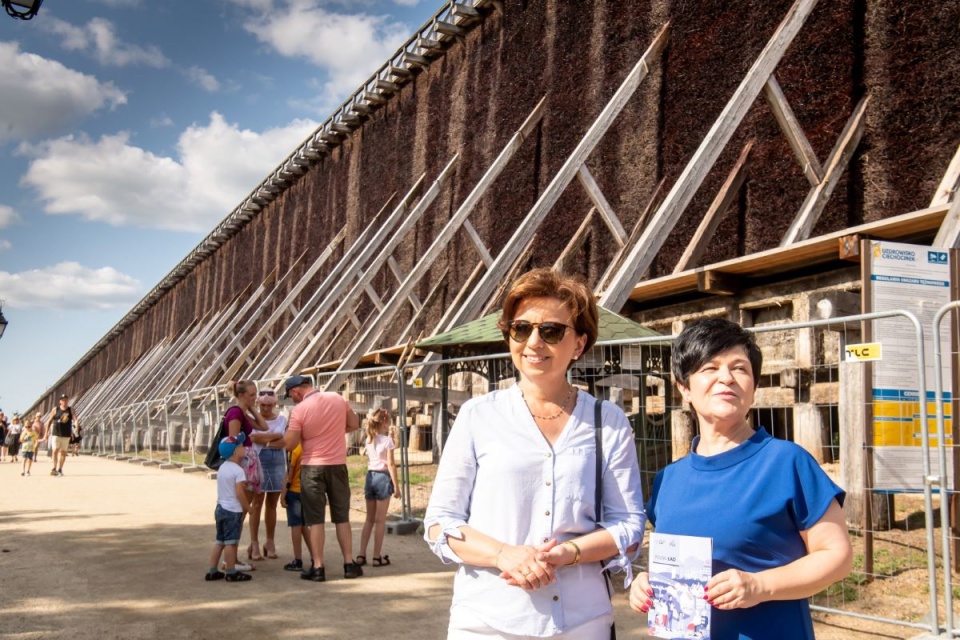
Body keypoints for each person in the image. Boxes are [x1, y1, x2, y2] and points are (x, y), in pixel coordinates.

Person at [424, 267, 646, 639]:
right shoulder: (478, 416)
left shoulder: (607, 421)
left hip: (581, 621)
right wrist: (503, 554)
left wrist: (567, 553)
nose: (533, 342)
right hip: (488, 620)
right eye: (521, 328)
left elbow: (628, 526)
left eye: (551, 331)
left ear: (579, 344)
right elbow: (439, 523)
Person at [629, 318, 853, 640]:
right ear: (683, 388)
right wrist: (646, 585)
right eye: (710, 368)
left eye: (740, 368)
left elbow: (837, 556)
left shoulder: (787, 463)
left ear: (754, 388)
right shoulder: (668, 480)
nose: (726, 378)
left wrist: (760, 586)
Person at [283, 374, 363, 582]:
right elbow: (354, 424)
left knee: (315, 519)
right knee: (342, 517)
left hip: (312, 467)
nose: (292, 398)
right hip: (337, 464)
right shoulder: (337, 398)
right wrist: (335, 431)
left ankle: (318, 567)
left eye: (291, 395)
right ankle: (348, 563)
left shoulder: (299, 410)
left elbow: (290, 445)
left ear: (296, 391)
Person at [223, 380, 270, 563]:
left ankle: (232, 557)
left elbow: (263, 426)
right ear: (241, 395)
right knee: (239, 511)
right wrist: (238, 469)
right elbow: (232, 441)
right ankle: (230, 558)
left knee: (241, 512)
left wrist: (250, 408)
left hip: (248, 461)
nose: (255, 398)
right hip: (242, 463)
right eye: (251, 395)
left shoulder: (241, 412)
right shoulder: (235, 413)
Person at [205, 433, 253, 583]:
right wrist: (248, 507)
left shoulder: (223, 468)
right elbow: (239, 492)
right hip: (233, 510)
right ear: (234, 452)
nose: (243, 448)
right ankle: (231, 571)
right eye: (240, 446)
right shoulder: (238, 470)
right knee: (231, 542)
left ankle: (212, 570)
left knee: (219, 540)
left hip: (220, 508)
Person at [356, 407, 400, 568]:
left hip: (370, 477)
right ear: (384, 422)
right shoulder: (387, 441)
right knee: (380, 521)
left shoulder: (369, 439)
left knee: (369, 519)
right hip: (382, 477)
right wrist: (396, 486)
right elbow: (391, 464)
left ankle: (361, 554)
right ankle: (376, 557)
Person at [247, 387, 287, 561]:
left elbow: (284, 440)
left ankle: (269, 541)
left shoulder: (282, 419)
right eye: (262, 405)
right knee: (257, 502)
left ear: (275, 404)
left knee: (272, 503)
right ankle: (254, 542)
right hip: (258, 462)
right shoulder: (252, 420)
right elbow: (253, 438)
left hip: (277, 462)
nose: (265, 408)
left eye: (269, 405)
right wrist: (273, 437)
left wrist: (265, 439)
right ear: (258, 403)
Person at [280, 442, 313, 572]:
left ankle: (298, 560)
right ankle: (314, 555)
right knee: (304, 526)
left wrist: (283, 494)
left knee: (296, 525)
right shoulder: (309, 447)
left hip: (295, 491)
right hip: (308, 490)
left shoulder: (295, 449)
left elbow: (290, 475)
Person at [47, 394, 74, 476]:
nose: (64, 401)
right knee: (55, 450)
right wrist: (46, 432)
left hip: (66, 434)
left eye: (65, 399)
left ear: (67, 400)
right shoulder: (56, 409)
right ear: (60, 401)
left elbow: (75, 418)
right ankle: (54, 468)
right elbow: (49, 420)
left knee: (63, 452)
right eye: (62, 400)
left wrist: (76, 423)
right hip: (56, 433)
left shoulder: (70, 410)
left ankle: (60, 469)